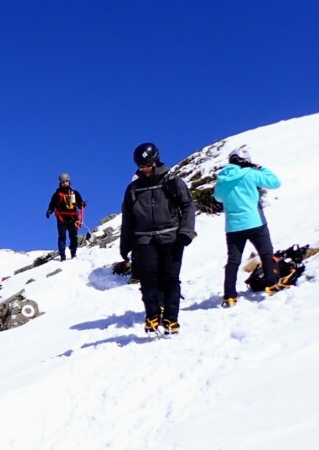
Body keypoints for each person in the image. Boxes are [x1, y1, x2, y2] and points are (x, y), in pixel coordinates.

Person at [120, 142, 196, 335]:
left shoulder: (172, 182)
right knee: (147, 279)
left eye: (147, 164)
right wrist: (125, 244)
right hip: (144, 240)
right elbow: (128, 218)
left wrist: (186, 232)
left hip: (172, 237)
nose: (144, 169)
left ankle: (171, 318)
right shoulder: (133, 189)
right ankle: (152, 315)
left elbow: (188, 205)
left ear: (156, 161)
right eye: (140, 166)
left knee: (170, 278)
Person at [213, 145, 282, 306]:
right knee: (266, 253)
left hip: (233, 227)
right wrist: (260, 168)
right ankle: (271, 285)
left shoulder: (221, 180)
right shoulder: (250, 173)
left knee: (233, 261)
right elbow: (275, 182)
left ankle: (229, 295)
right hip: (255, 222)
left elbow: (218, 198)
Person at [46, 173, 87, 261]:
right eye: (62, 182)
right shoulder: (57, 195)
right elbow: (52, 204)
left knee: (73, 237)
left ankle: (73, 253)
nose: (64, 183)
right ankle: (62, 255)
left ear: (69, 182)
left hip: (73, 218)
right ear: (60, 183)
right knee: (62, 236)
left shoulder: (75, 193)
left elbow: (79, 205)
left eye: (66, 182)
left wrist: (82, 204)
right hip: (62, 218)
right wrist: (49, 211)